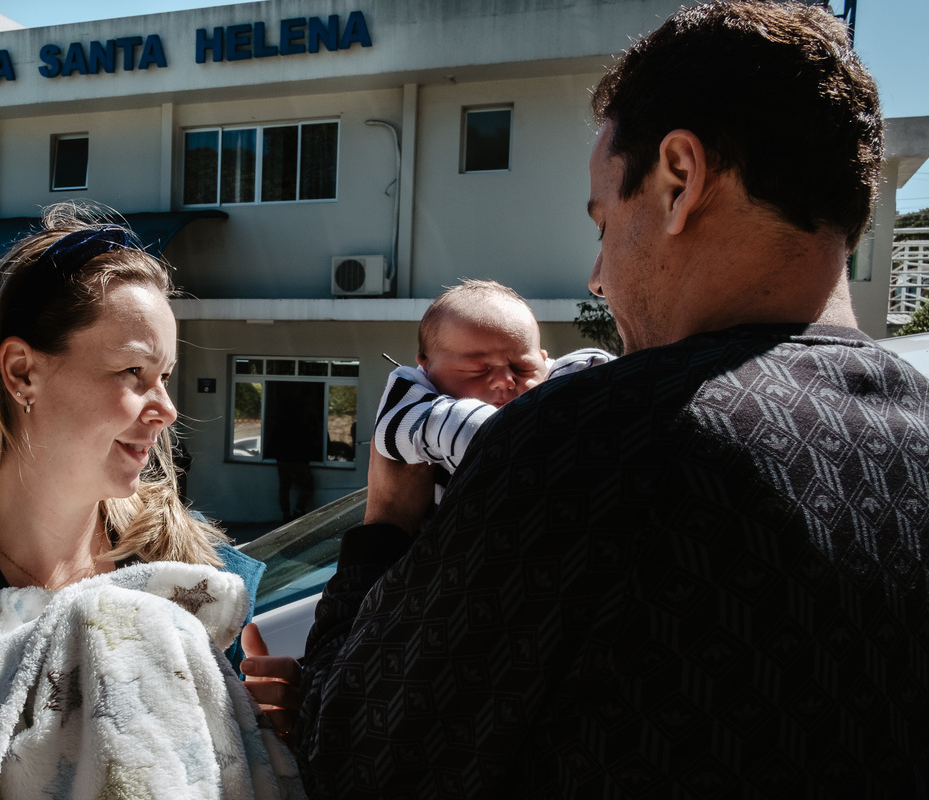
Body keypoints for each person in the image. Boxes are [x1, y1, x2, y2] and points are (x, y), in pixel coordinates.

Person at [295, 2, 929, 797]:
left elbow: (357, 754)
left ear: (680, 178)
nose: (599, 275)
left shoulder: (600, 438)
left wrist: (385, 527)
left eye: (604, 222)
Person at [0, 205, 301, 799]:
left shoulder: (203, 582)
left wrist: (290, 725)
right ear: (21, 372)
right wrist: (47, 735)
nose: (165, 408)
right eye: (133, 371)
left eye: (165, 374)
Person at [375, 279, 612, 512]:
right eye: (477, 370)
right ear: (427, 366)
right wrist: (491, 429)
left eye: (523, 368)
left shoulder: (552, 378)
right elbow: (391, 431)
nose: (505, 380)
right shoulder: (413, 389)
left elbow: (598, 376)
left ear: (542, 359)